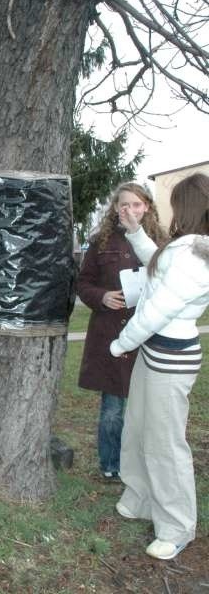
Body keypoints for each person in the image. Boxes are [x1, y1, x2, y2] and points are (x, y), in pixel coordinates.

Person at [110, 172, 209, 560]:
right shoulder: (186, 247)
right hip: (155, 353)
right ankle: (140, 497)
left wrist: (122, 343)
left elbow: (157, 309)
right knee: (137, 428)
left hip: (171, 357)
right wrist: (135, 232)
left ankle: (177, 525)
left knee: (165, 444)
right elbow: (158, 264)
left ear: (187, 207)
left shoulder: (198, 254)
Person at [77, 183, 164, 481]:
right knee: (112, 409)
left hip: (150, 337)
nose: (130, 210)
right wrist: (101, 296)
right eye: (124, 205)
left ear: (147, 207)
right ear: (115, 208)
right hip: (111, 334)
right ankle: (110, 466)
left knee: (147, 408)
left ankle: (141, 465)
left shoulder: (160, 242)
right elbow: (83, 283)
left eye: (136, 204)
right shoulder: (100, 242)